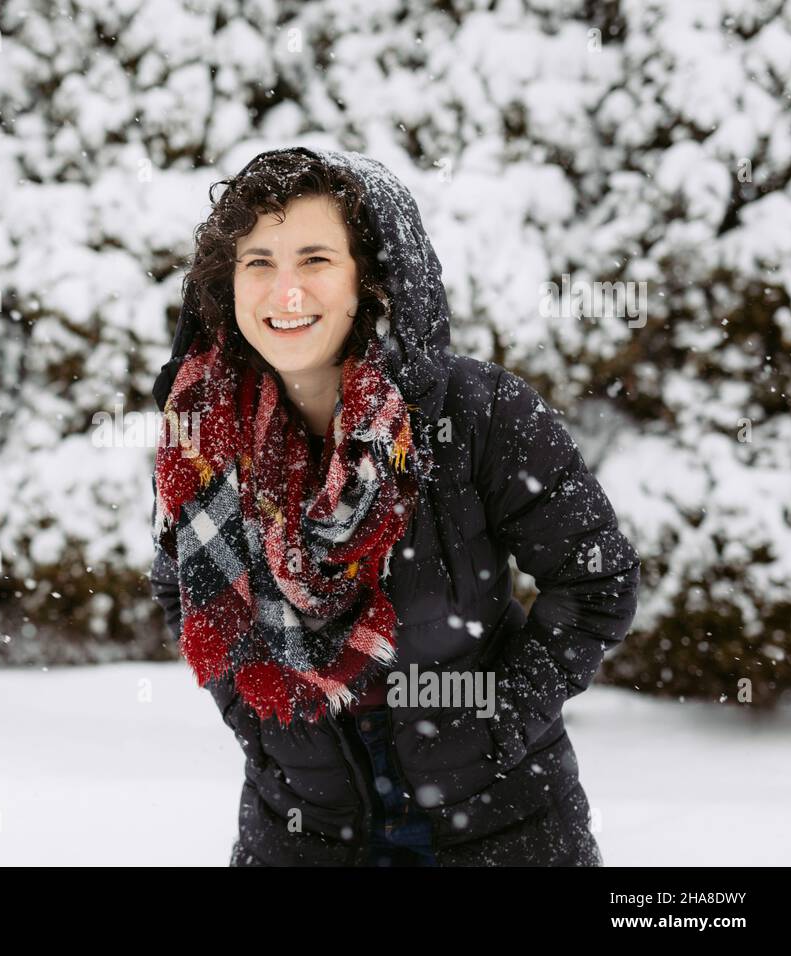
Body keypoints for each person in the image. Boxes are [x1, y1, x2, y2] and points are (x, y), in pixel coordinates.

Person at [148, 146, 640, 866]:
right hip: (300, 829)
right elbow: (181, 587)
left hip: (497, 826)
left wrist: (495, 726)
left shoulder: (478, 413)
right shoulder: (201, 429)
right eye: (259, 262)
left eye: (315, 260)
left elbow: (595, 581)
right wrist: (262, 725)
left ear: (371, 279)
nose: (285, 293)